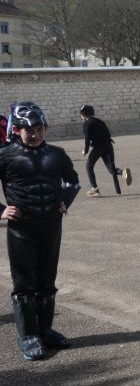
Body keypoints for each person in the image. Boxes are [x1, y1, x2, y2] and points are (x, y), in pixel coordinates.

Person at [0, 102, 79, 360]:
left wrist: (64, 199)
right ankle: (27, 335)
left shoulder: (56, 154)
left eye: (37, 128)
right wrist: (0, 210)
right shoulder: (6, 155)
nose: (33, 134)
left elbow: (73, 180)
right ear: (17, 130)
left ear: (45, 128)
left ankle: (45, 330)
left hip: (51, 227)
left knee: (47, 282)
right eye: (26, 129)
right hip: (22, 229)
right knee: (24, 285)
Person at [80, 105, 132, 197]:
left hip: (98, 147)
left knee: (89, 166)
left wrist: (85, 150)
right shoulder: (100, 121)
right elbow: (108, 133)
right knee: (110, 169)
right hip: (109, 146)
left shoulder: (87, 124)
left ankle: (94, 188)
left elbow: (87, 139)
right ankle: (122, 172)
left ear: (84, 115)